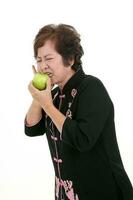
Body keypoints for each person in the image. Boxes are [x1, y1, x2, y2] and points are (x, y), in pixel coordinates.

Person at [24, 24, 133, 200]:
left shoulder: (92, 88)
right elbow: (32, 129)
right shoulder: (54, 94)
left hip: (104, 191)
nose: (43, 66)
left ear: (70, 59)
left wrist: (48, 106)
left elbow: (82, 139)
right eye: (39, 60)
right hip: (68, 193)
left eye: (49, 58)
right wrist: (38, 98)